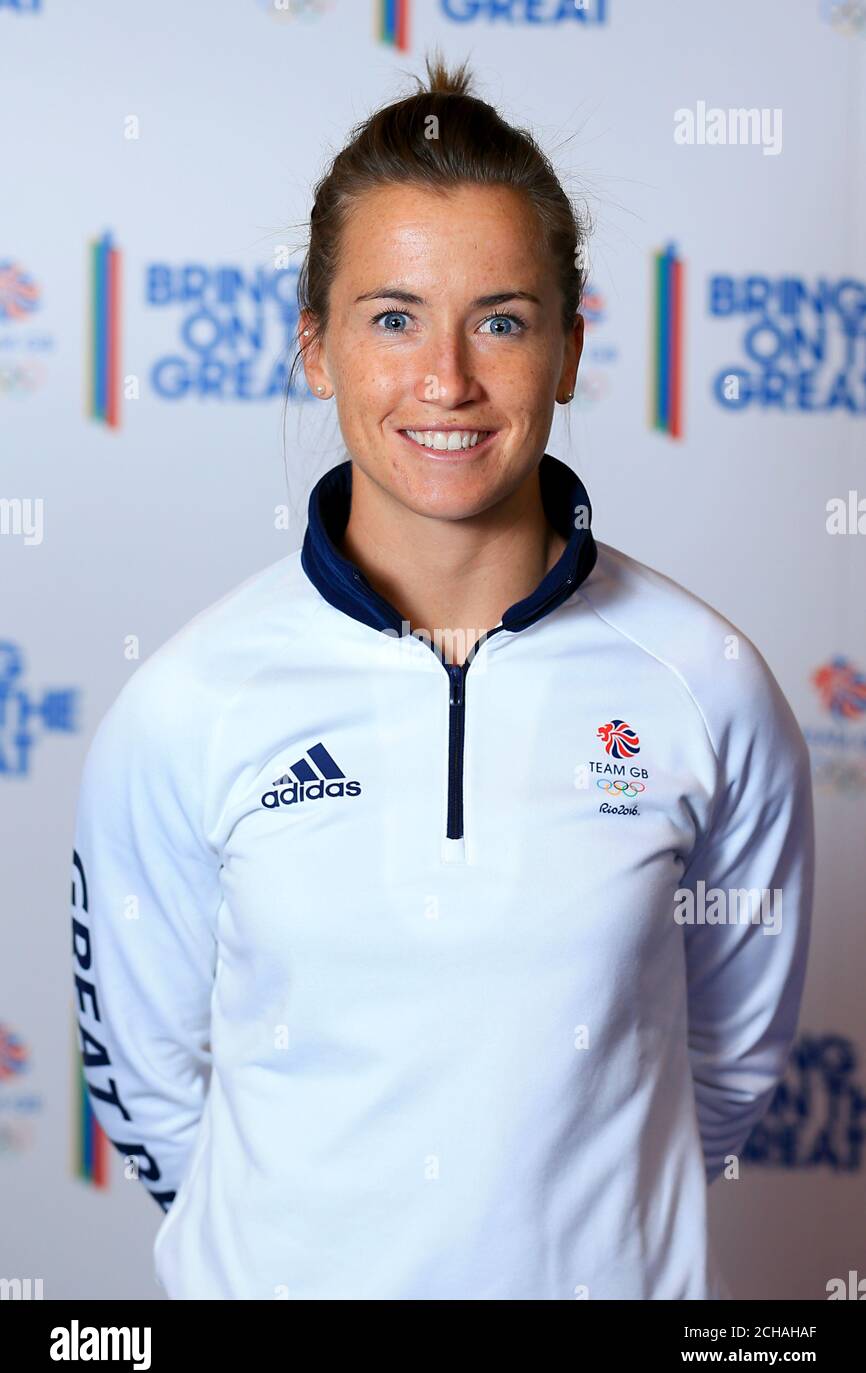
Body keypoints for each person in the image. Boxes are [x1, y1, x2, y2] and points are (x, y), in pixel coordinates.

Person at [70, 53, 814, 1300]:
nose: (446, 380)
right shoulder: (188, 703)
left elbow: (726, 1069)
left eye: (503, 320)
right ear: (316, 348)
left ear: (570, 350)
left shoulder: (707, 683)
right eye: (392, 316)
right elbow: (147, 1090)